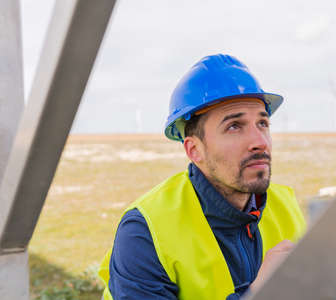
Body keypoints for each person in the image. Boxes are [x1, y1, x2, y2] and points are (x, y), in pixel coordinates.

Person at [98, 54, 307, 299]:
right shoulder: (144, 231)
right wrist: (259, 293)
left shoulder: (286, 206)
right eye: (234, 126)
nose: (260, 142)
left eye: (262, 124)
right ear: (194, 150)